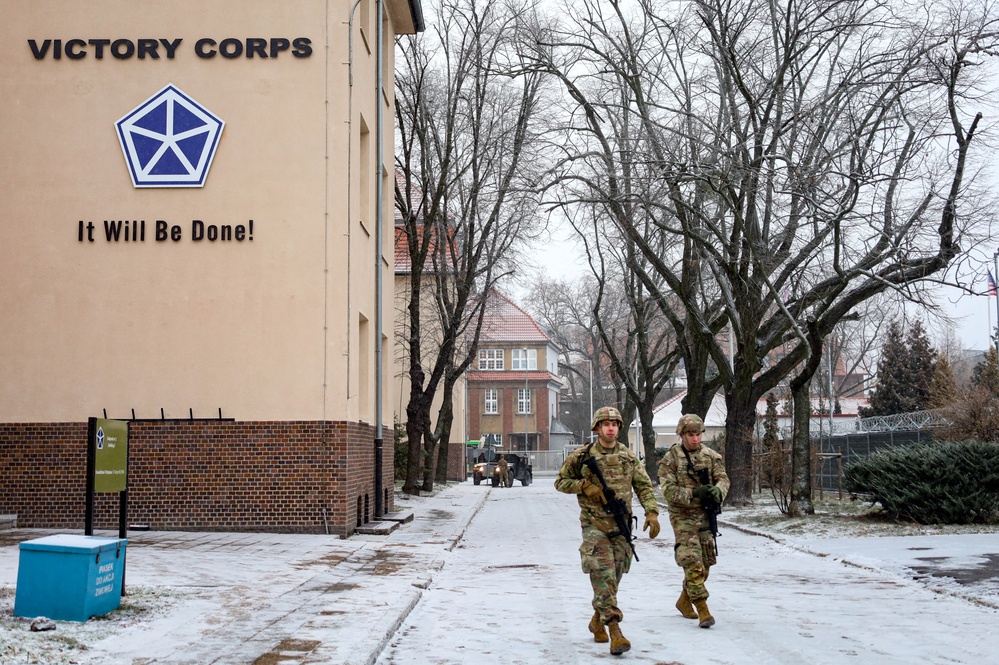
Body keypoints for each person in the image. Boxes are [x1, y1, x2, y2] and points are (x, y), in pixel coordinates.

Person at [555, 406, 660, 655]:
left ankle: (596, 620)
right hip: (595, 525)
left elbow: (643, 486)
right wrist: (584, 486)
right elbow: (560, 481)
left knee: (612, 578)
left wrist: (652, 513)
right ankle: (615, 630)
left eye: (614, 424)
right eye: (606, 424)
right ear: (597, 428)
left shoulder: (628, 456)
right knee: (602, 572)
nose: (611, 427)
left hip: (621, 526)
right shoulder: (582, 456)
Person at [658, 413, 730, 628]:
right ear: (682, 434)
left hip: (705, 515)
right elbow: (668, 490)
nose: (695, 439)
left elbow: (723, 479)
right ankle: (702, 607)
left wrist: (717, 492)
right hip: (683, 516)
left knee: (705, 563)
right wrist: (695, 493)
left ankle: (684, 600)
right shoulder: (671, 459)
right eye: (690, 434)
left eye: (698, 434)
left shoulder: (711, 456)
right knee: (692, 560)